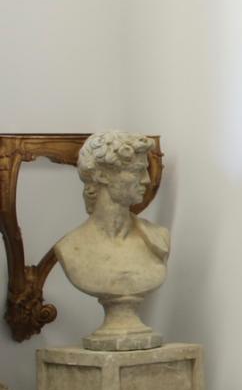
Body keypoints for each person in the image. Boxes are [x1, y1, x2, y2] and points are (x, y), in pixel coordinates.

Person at [54, 132, 169, 349]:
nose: (146, 179)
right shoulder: (70, 248)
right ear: (103, 176)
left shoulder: (158, 239)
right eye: (136, 171)